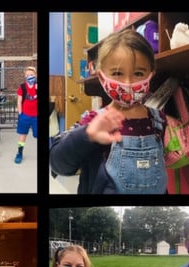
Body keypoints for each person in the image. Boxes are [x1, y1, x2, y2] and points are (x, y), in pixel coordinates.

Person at [49, 29, 168, 194]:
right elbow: (58, 164)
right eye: (117, 73)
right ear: (102, 77)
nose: (127, 83)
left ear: (150, 75)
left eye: (138, 73)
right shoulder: (93, 121)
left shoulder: (159, 120)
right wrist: (87, 135)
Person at [14, 66, 38, 164]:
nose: (29, 76)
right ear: (25, 76)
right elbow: (19, 101)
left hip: (36, 117)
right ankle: (19, 153)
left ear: (35, 76)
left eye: (31, 75)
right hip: (25, 116)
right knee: (22, 136)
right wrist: (20, 113)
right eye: (27, 75)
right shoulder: (22, 87)